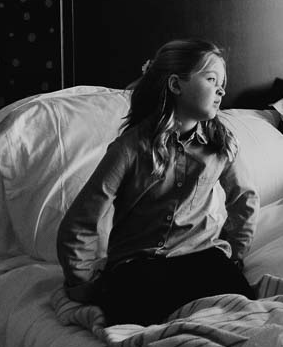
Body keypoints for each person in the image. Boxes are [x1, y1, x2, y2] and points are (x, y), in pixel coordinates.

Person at [56, 38, 258, 325]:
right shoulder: (131, 148)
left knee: (241, 303)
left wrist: (234, 255)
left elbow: (244, 200)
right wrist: (81, 281)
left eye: (222, 82)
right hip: (140, 264)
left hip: (200, 258)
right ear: (176, 85)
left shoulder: (221, 145)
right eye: (211, 79)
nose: (222, 89)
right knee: (136, 309)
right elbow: (82, 219)